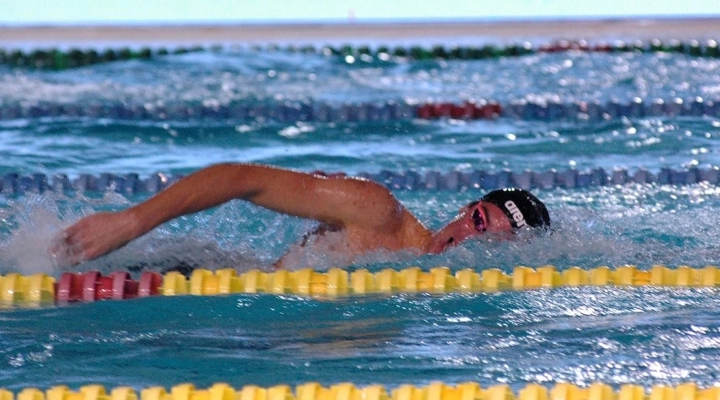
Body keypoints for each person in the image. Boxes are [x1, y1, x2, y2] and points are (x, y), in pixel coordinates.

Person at [51, 163, 551, 269]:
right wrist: (131, 222)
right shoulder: (378, 212)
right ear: (467, 208)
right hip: (188, 278)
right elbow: (242, 178)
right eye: (480, 221)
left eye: (493, 242)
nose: (471, 239)